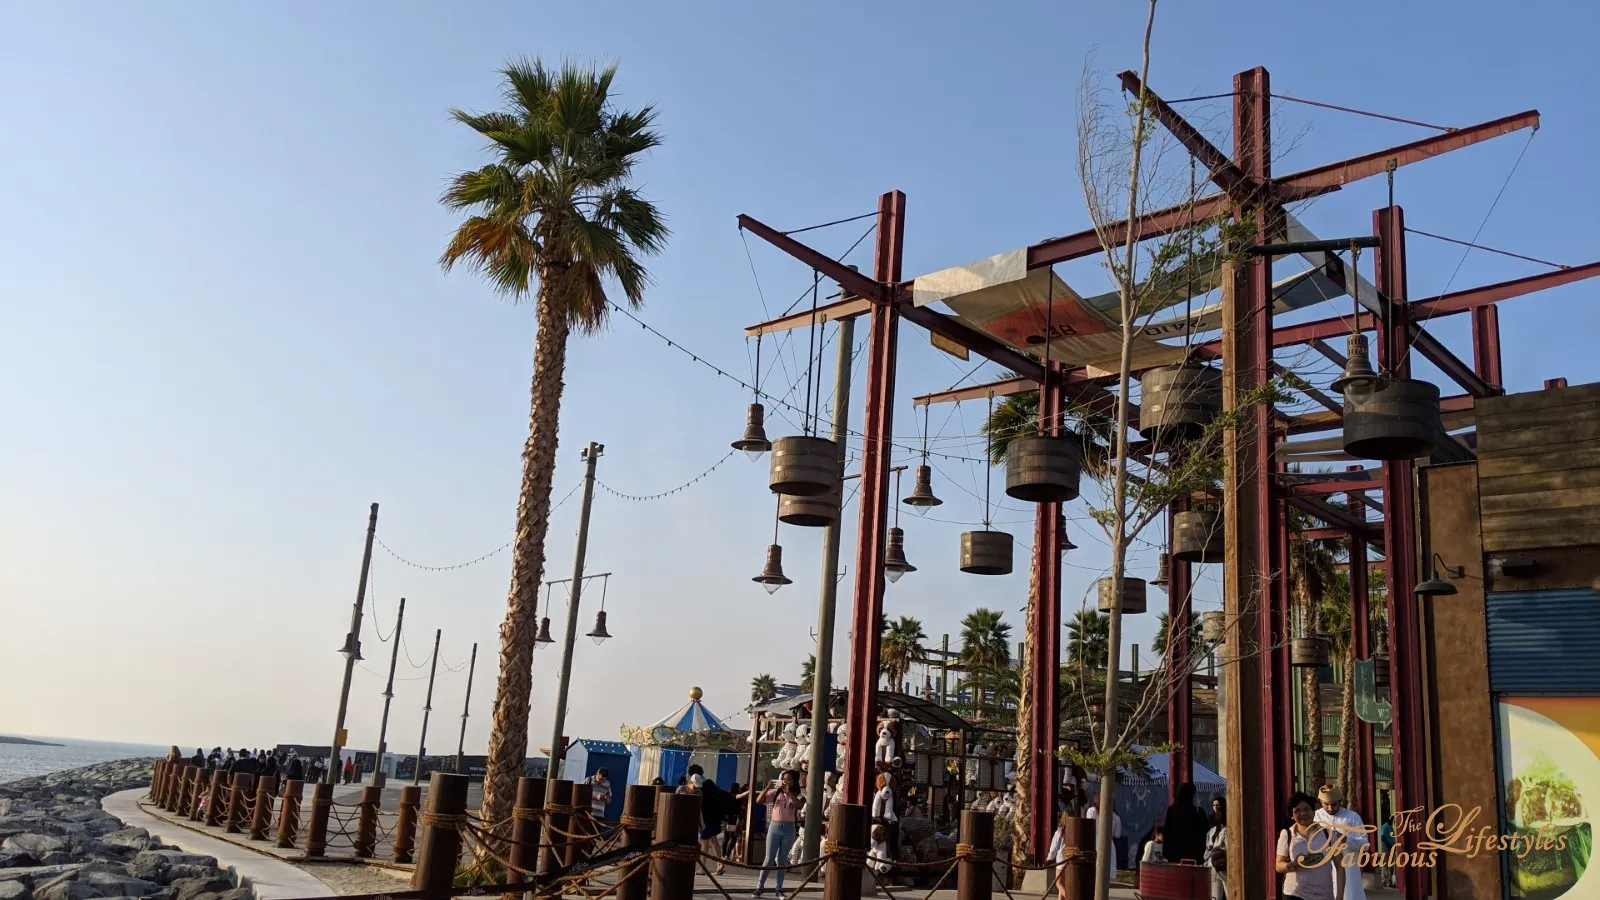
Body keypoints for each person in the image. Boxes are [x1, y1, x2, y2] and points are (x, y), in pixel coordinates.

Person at [1277, 791, 1342, 900]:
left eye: (1306, 809)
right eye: (1297, 811)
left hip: (1323, 895)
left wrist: (1339, 897)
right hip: (1295, 894)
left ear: (1313, 811)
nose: (1303, 814)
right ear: (1292, 815)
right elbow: (1278, 865)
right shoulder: (1287, 834)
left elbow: (1340, 867)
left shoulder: (1328, 834)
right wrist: (1292, 865)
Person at [754, 771, 804, 898]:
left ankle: (779, 888)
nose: (786, 781)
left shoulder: (797, 794)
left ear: (794, 781)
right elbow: (758, 800)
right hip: (775, 826)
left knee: (782, 860)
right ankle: (759, 887)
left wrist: (789, 793)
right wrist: (767, 787)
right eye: (784, 779)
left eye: (789, 779)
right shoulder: (776, 792)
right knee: (769, 859)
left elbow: (800, 805)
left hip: (789, 828)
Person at [1313, 785, 1368, 900]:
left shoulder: (1352, 817)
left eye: (1334, 804)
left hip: (1349, 871)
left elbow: (1365, 845)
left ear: (1340, 801)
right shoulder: (1315, 817)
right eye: (1326, 804)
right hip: (1322, 871)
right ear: (1320, 802)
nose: (1330, 808)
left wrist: (1345, 839)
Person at [1163, 783, 1209, 864]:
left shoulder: (1171, 810)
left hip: (1174, 855)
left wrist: (1166, 853)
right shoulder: (1199, 811)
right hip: (1195, 856)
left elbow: (1167, 832)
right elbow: (1205, 833)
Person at [1086, 798, 1124, 874]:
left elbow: (1088, 826)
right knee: (1107, 871)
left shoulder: (1091, 811)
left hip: (1093, 843)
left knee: (1093, 871)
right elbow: (1117, 835)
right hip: (1108, 844)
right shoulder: (1116, 817)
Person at [1206, 797, 1229, 900]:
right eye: (1214, 805)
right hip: (1213, 867)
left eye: (1218, 805)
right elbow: (1206, 853)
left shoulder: (1228, 829)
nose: (1215, 808)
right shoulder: (1211, 831)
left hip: (1225, 868)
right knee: (1215, 897)